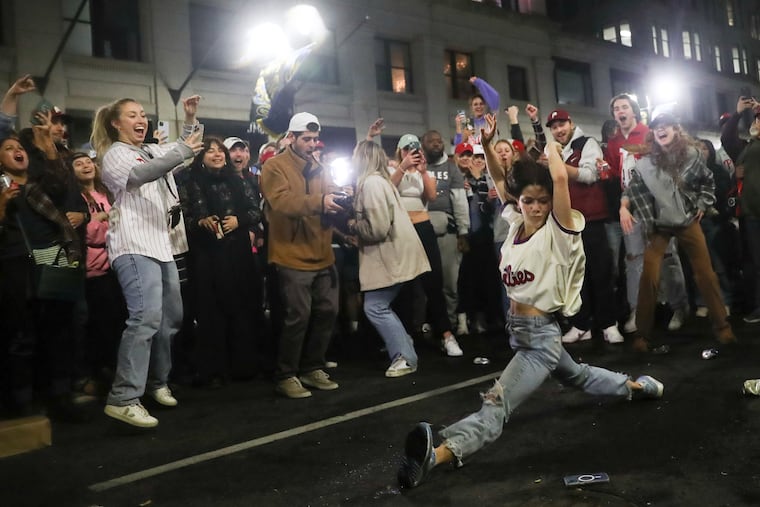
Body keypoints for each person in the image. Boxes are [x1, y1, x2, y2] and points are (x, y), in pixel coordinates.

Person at [397, 130, 665, 489]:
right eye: (528, 200)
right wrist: (488, 145)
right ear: (518, 201)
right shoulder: (516, 225)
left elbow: (556, 178)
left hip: (540, 338)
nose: (536, 207)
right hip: (520, 330)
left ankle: (439, 452)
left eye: (542, 201)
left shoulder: (560, 229)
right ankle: (636, 386)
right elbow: (498, 178)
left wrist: (550, 145)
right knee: (579, 376)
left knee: (497, 404)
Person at [91, 95, 203, 427]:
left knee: (170, 318)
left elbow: (184, 152)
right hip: (133, 245)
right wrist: (179, 151)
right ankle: (123, 396)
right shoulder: (114, 155)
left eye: (143, 115)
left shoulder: (151, 149)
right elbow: (143, 175)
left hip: (161, 246)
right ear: (116, 123)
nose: (141, 120)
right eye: (132, 115)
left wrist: (190, 118)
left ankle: (157, 382)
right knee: (145, 318)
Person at [620, 112, 736, 352]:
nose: (661, 130)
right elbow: (632, 190)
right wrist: (623, 207)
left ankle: (723, 328)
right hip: (659, 225)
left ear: (675, 129)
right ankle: (642, 335)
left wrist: (703, 204)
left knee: (706, 274)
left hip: (686, 221)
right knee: (649, 276)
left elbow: (707, 181)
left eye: (666, 126)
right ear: (653, 133)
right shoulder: (645, 164)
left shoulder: (692, 155)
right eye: (657, 128)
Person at [260, 112, 342, 399]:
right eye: (306, 139)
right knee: (298, 316)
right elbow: (281, 202)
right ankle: (286, 374)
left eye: (315, 139)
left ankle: (312, 367)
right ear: (290, 138)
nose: (312, 144)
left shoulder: (320, 165)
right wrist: (321, 201)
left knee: (328, 311)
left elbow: (330, 193)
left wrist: (341, 198)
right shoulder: (274, 166)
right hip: (290, 253)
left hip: (322, 251)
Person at [606, 93, 689, 334]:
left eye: (624, 107)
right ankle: (638, 310)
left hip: (657, 204)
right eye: (616, 109)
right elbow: (616, 174)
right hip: (630, 207)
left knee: (667, 256)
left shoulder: (650, 133)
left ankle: (679, 306)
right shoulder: (613, 142)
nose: (620, 112)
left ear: (633, 111)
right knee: (634, 260)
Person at [182, 137, 262, 387]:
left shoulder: (237, 180)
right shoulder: (191, 180)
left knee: (240, 306)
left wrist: (239, 220)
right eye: (210, 151)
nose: (217, 155)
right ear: (200, 157)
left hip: (237, 252)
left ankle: (243, 365)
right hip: (206, 254)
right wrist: (200, 222)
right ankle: (213, 369)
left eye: (220, 151)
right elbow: (185, 215)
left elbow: (255, 210)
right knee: (210, 311)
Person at [347, 141, 431, 377]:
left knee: (375, 307)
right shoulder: (380, 181)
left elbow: (377, 228)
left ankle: (405, 356)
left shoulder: (371, 184)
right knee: (378, 306)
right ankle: (404, 347)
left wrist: (353, 224)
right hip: (399, 252)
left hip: (390, 255)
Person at [542, 108, 624, 345]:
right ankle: (582, 324)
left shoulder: (586, 143)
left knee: (601, 272)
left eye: (561, 124)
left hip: (591, 219)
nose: (558, 130)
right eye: (554, 127)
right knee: (575, 278)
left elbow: (590, 175)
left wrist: (556, 165)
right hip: (566, 222)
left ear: (571, 122)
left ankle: (608, 324)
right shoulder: (556, 150)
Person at [391, 134, 463, 357]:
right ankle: (405, 335)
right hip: (402, 229)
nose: (411, 153)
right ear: (400, 150)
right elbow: (388, 191)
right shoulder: (393, 169)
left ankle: (446, 334)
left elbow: (431, 196)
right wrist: (403, 167)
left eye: (414, 149)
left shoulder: (425, 172)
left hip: (423, 227)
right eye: (406, 149)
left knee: (434, 281)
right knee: (404, 284)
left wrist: (422, 171)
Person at [70, 151, 125, 395]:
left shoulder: (106, 193)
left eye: (88, 161)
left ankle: (111, 367)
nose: (85, 166)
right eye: (78, 163)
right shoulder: (75, 199)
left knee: (115, 320)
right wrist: (100, 218)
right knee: (95, 323)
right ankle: (96, 370)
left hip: (114, 263)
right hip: (92, 270)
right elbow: (89, 233)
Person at [422, 130, 470, 335]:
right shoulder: (417, 167)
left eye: (439, 140)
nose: (436, 144)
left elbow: (460, 202)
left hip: (447, 234)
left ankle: (448, 324)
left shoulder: (452, 169)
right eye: (431, 141)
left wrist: (463, 232)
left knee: (449, 282)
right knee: (424, 284)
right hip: (420, 234)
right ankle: (428, 322)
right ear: (423, 145)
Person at [720, 97, 760, 323]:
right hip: (749, 213)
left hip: (755, 212)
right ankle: (754, 304)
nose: (757, 122)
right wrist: (737, 114)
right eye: (756, 120)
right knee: (751, 262)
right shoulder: (747, 147)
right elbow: (727, 138)